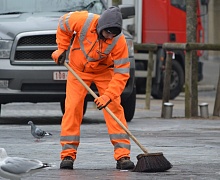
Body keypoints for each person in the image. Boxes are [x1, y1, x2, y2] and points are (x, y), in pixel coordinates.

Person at [51, 6, 135, 170]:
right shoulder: (82, 20)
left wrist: (108, 96)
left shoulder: (119, 41)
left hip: (104, 71)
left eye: (113, 34)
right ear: (100, 26)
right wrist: (62, 48)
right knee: (73, 108)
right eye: (107, 33)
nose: (110, 36)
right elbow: (63, 24)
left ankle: (123, 155)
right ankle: (68, 155)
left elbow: (122, 74)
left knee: (114, 107)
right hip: (78, 70)